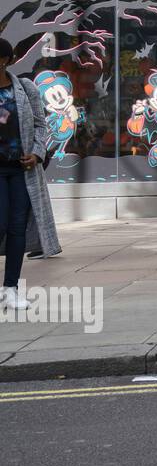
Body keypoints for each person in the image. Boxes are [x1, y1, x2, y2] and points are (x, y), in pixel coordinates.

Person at [0, 39, 62, 308]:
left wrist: (37, 153)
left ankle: (11, 289)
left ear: (4, 60)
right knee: (0, 223)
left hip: (21, 169)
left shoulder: (25, 89)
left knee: (17, 228)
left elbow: (40, 124)